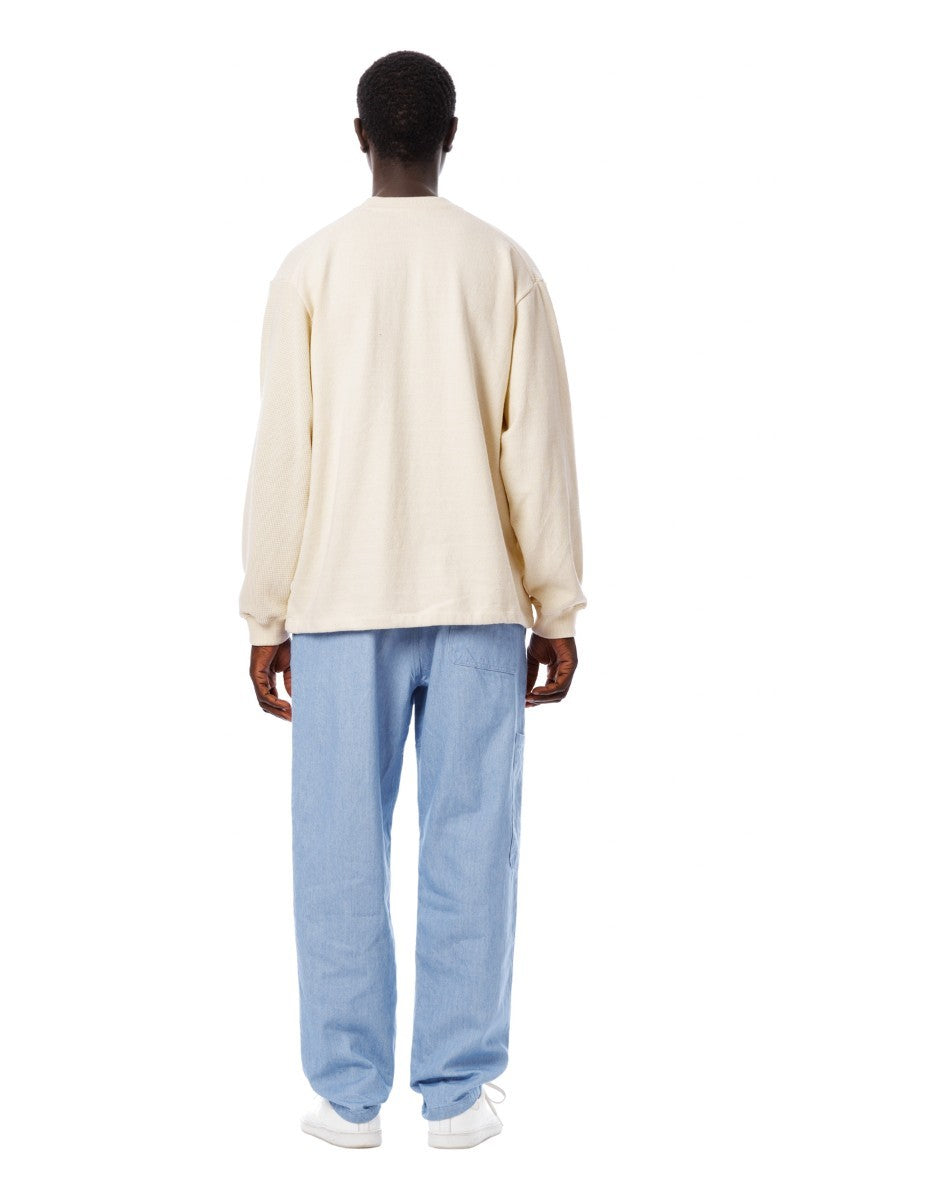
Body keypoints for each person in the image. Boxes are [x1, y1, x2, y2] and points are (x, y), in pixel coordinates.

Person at [238, 49, 587, 1149]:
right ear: (451, 134)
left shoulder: (312, 269)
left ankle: (349, 1098)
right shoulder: (502, 265)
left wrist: (265, 611)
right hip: (476, 595)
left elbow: (285, 454)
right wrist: (557, 607)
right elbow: (538, 451)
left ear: (359, 137)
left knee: (337, 850)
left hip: (340, 599)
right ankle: (456, 1095)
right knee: (472, 842)